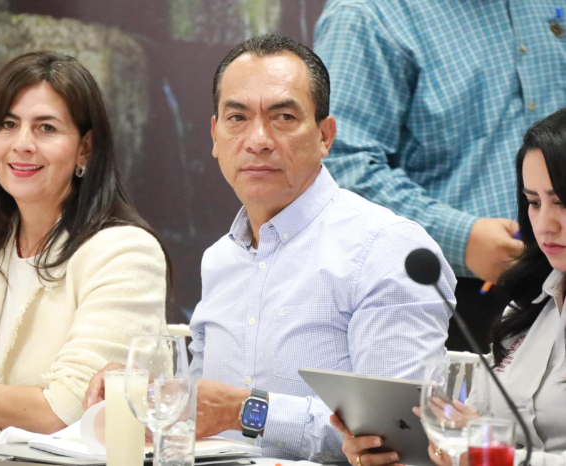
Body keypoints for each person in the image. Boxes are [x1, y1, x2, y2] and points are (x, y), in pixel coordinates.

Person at [85, 34, 455, 462]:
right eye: (237, 117)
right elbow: (199, 410)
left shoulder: (387, 248)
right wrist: (145, 394)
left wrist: (246, 411)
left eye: (283, 117)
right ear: (215, 135)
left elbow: (401, 435)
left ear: (325, 136)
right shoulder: (220, 259)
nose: (258, 139)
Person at [0, 50, 168, 434]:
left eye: (46, 128)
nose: (22, 143)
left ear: (85, 148)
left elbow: (68, 410)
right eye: (8, 124)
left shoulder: (125, 253)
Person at [314, 0, 566, 352]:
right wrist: (462, 238)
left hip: (556, 278)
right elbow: (341, 165)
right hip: (452, 292)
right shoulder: (369, 14)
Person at [333, 108, 566, 466]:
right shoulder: (528, 309)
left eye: (561, 201)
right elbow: (477, 434)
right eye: (534, 202)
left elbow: (497, 454)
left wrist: (495, 457)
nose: (545, 224)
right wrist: (393, 444)